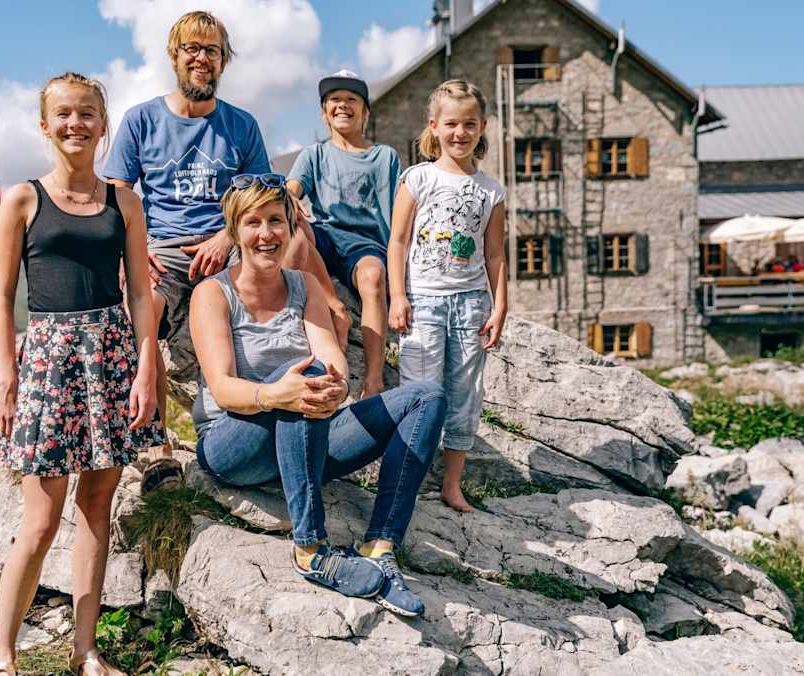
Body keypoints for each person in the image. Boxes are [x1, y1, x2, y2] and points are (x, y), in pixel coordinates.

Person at [104, 11, 342, 492]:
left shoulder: (240, 124)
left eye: (211, 51)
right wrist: (134, 250)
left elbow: (262, 197)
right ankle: (155, 447)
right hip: (165, 248)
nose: (201, 59)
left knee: (290, 248)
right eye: (191, 49)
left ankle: (296, 393)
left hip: (230, 243)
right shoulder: (141, 120)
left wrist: (226, 237)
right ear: (174, 56)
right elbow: (117, 194)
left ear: (223, 61)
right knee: (138, 313)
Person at [190, 174, 447, 618]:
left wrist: (336, 384)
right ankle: (310, 549)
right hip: (233, 444)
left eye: (276, 220)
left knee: (427, 397)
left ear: (291, 226)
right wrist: (278, 392)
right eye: (253, 223)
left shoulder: (305, 286)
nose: (266, 234)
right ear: (234, 231)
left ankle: (379, 545)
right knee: (301, 381)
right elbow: (224, 388)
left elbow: (332, 359)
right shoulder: (213, 293)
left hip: (306, 437)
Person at [0, 72, 163, 676]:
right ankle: (2, 654)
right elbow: (1, 296)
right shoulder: (22, 200)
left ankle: (86, 649)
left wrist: (146, 368)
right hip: (48, 362)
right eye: (63, 114)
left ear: (103, 124)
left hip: (111, 357)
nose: (75, 124)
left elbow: (139, 294)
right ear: (45, 125)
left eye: (87, 113)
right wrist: (6, 378)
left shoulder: (124, 202)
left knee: (96, 505)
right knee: (40, 519)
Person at [387, 79, 508, 512]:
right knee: (419, 391)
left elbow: (494, 254)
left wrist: (500, 306)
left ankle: (451, 484)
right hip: (423, 301)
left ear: (483, 127)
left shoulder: (492, 190)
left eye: (470, 124)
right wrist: (397, 295)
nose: (461, 132)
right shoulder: (417, 178)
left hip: (471, 304)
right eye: (452, 123)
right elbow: (398, 241)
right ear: (434, 126)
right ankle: (408, 480)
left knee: (465, 396)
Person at [287, 70, 400, 398]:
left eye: (352, 99)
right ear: (324, 112)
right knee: (293, 234)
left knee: (372, 276)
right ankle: (333, 308)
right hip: (323, 235)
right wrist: (291, 199)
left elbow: (398, 216)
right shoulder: (314, 154)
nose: (343, 105)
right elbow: (291, 190)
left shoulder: (384, 157)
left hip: (365, 244)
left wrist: (398, 276)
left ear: (365, 111)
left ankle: (374, 379)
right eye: (334, 100)